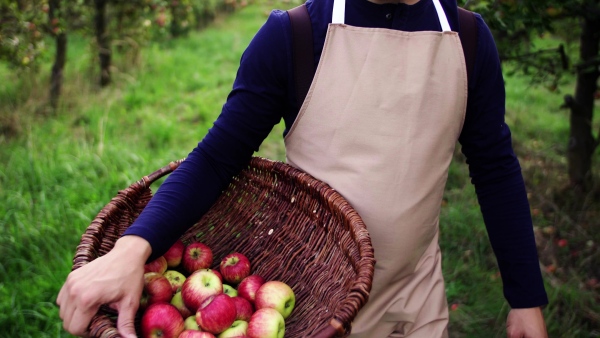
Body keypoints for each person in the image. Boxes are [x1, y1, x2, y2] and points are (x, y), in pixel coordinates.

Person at [56, 0, 550, 336]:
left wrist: (525, 296)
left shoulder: (467, 40)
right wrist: (131, 248)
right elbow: (215, 158)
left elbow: (495, 169)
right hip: (310, 305)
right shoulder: (294, 37)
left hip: (414, 300)